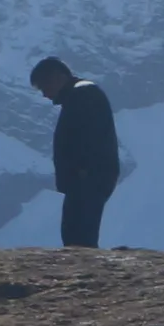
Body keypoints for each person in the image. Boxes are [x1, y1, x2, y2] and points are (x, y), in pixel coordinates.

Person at [29, 58, 120, 248]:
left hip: (88, 178)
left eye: (44, 86)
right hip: (85, 178)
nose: (45, 94)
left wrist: (82, 168)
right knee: (76, 230)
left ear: (57, 77)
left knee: (78, 232)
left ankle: (88, 272)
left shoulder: (83, 94)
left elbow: (88, 136)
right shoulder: (79, 94)